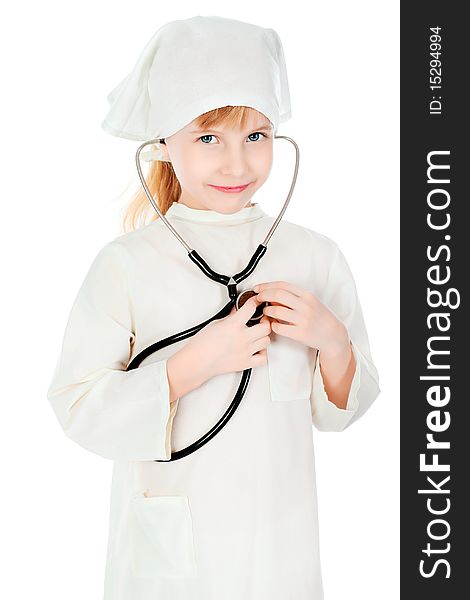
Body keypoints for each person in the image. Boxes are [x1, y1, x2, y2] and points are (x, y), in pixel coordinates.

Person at [46, 15, 380, 600]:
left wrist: (331, 340)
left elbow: (343, 411)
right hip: (172, 556)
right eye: (208, 138)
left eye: (256, 136)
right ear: (164, 142)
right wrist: (197, 362)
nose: (236, 164)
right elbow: (77, 407)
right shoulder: (126, 264)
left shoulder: (314, 256)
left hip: (281, 548)